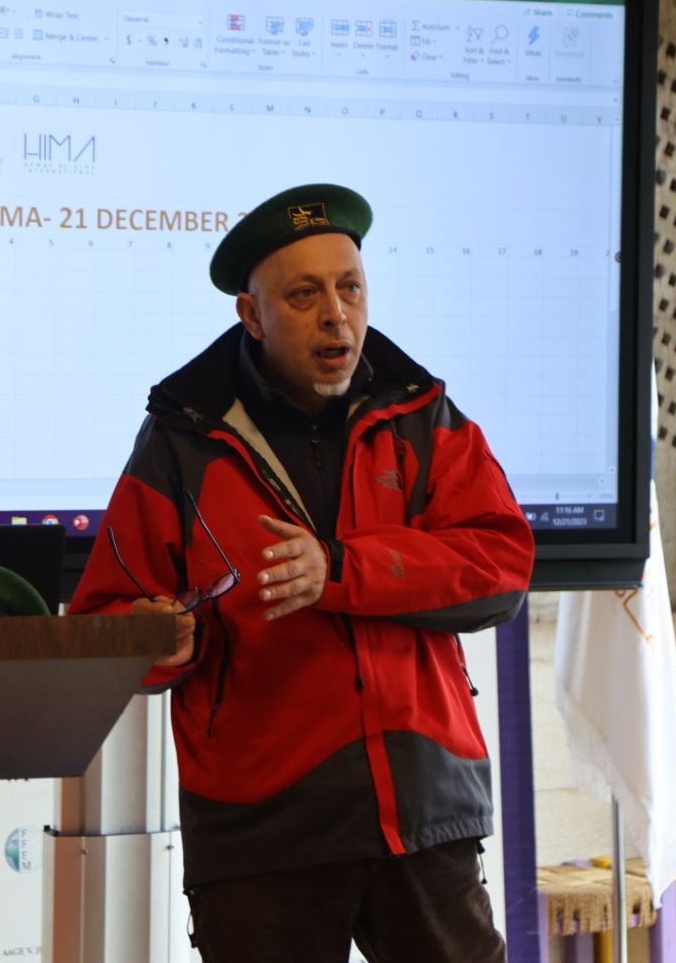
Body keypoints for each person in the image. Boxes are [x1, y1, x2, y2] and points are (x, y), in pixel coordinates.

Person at [67, 184, 535, 961]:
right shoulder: (181, 439)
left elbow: (502, 567)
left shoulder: (424, 415)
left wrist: (342, 569)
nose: (336, 315)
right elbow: (103, 619)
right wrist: (161, 641)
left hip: (422, 808)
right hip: (259, 825)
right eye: (304, 294)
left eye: (350, 288)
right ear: (251, 316)